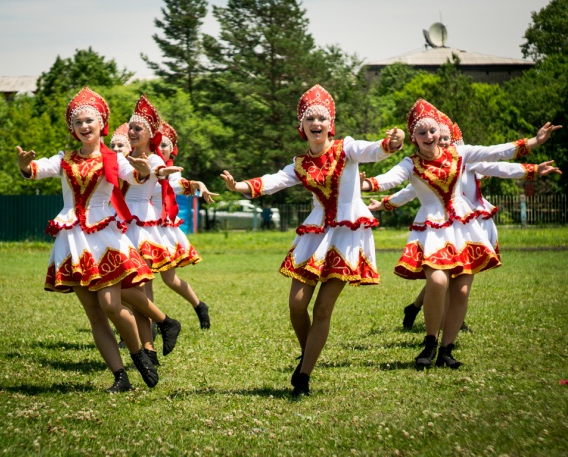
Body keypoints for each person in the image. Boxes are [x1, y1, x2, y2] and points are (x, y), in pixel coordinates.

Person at [220, 84, 405, 396]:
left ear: (330, 124)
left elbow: (374, 150)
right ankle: (309, 358)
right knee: (296, 305)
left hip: (347, 234)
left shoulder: (347, 148)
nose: (316, 123)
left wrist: (392, 142)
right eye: (310, 119)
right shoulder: (300, 163)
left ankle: (303, 377)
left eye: (322, 118)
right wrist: (237, 186)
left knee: (322, 309)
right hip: (316, 232)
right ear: (301, 127)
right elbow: (273, 181)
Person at [361, 98, 561, 369]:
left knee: (462, 291)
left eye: (433, 131)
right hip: (432, 229)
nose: (430, 136)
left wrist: (534, 143)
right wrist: (367, 183)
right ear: (414, 138)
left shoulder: (460, 154)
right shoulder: (411, 164)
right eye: (422, 132)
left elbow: (496, 154)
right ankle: (430, 342)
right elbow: (391, 179)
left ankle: (447, 349)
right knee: (439, 282)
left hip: (464, 228)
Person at [16, 87, 160, 392]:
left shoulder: (112, 158)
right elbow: (37, 169)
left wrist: (144, 172)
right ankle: (120, 376)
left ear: (101, 124)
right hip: (72, 241)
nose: (84, 126)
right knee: (94, 313)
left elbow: (133, 175)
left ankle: (138, 354)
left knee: (110, 304)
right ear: (73, 128)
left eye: (89, 121)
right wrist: (25, 166)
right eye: (78, 122)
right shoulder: (64, 159)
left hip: (103, 238)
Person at [119, 94, 187, 362]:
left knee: (139, 287)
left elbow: (156, 172)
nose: (132, 132)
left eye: (138, 128)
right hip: (122, 221)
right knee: (135, 289)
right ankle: (149, 346)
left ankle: (153, 342)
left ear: (150, 134)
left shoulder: (156, 159)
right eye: (130, 127)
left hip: (142, 223)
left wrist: (161, 174)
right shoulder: (123, 156)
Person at [150, 119, 217, 330]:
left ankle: (199, 306)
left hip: (160, 231)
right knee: (141, 280)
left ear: (172, 150)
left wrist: (201, 186)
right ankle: (148, 326)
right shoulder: (144, 166)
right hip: (140, 228)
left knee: (170, 280)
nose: (160, 149)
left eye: (164, 145)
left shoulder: (172, 174)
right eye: (156, 144)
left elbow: (186, 184)